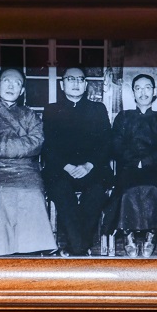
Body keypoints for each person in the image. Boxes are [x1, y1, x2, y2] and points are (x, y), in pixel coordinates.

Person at [42, 67, 112, 256]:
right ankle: (81, 247)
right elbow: (48, 146)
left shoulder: (97, 109)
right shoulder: (51, 109)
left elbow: (106, 143)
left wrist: (88, 165)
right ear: (62, 84)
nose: (75, 83)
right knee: (62, 190)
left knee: (96, 192)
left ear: (86, 84)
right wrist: (67, 166)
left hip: (92, 168)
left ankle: (74, 247)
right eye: (70, 79)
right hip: (61, 169)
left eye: (80, 79)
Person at [0, 68, 57, 257]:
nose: (11, 86)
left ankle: (32, 248)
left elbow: (36, 142)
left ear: (22, 90)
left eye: (17, 83)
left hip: (26, 169)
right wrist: (17, 146)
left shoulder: (29, 115)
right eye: (7, 81)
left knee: (32, 192)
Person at [103, 74, 157, 257]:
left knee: (156, 190)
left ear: (154, 91)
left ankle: (152, 235)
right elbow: (116, 145)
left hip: (156, 169)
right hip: (129, 168)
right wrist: (136, 162)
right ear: (133, 92)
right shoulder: (123, 117)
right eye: (138, 88)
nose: (143, 92)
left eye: (147, 88)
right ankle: (128, 236)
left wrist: (147, 161)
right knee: (127, 192)